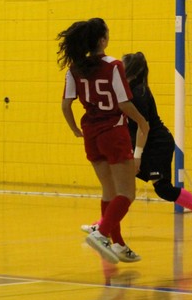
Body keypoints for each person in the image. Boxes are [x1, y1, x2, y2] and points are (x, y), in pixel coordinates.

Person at [82, 51, 192, 238]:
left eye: (122, 66)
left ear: (130, 69)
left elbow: (142, 128)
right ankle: (103, 225)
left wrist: (137, 156)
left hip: (156, 145)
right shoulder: (125, 90)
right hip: (143, 144)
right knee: (120, 184)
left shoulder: (139, 93)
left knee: (162, 189)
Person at [59, 18, 150, 264]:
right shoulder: (113, 65)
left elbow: (66, 104)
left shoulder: (75, 68)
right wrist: (142, 121)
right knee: (127, 193)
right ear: (102, 40)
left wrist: (74, 128)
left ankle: (118, 244)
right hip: (113, 131)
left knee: (109, 190)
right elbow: (123, 103)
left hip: (91, 133)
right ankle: (101, 234)